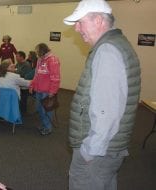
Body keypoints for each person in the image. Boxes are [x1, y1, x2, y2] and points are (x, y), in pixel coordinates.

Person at [63, 0, 141, 189]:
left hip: (99, 152)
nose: (76, 28)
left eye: (80, 22)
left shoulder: (107, 50)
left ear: (98, 20)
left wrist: (89, 152)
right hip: (107, 149)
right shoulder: (117, 44)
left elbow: (107, 112)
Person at [29, 43, 60, 135]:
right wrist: (32, 86)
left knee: (46, 110)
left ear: (42, 50)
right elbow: (36, 75)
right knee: (39, 109)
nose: (36, 53)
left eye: (37, 51)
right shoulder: (40, 60)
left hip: (47, 91)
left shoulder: (53, 60)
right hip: (39, 89)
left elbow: (55, 77)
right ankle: (43, 124)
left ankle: (47, 128)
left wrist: (52, 91)